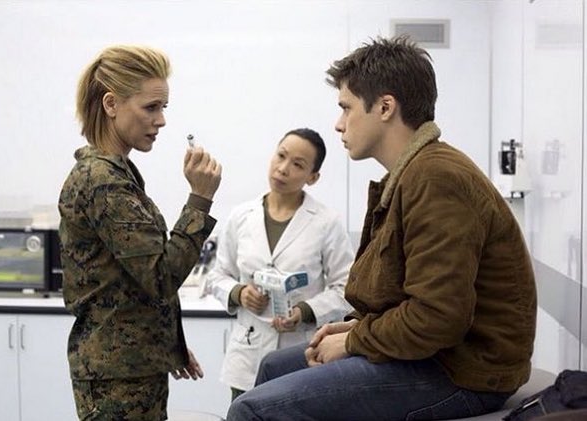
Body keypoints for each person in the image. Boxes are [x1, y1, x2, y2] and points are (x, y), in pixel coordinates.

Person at [226, 35, 537, 421]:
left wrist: (355, 340)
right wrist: (353, 329)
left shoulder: (436, 178)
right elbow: (403, 295)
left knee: (250, 410)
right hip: (437, 355)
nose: (339, 124)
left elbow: (438, 317)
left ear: (385, 107)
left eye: (346, 108)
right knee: (274, 366)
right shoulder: (410, 175)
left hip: (464, 371)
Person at [58, 45, 222, 420]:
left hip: (130, 368)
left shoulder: (116, 174)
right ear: (111, 104)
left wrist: (164, 344)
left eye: (163, 107)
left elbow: (132, 281)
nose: (161, 120)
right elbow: (161, 276)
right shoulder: (103, 181)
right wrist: (200, 200)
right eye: (151, 107)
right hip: (116, 378)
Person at [210, 127, 354, 401]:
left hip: (300, 352)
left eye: (298, 164)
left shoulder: (326, 222)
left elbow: (345, 287)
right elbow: (218, 275)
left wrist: (305, 311)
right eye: (281, 156)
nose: (283, 168)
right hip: (247, 355)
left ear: (313, 177)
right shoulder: (241, 216)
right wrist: (239, 293)